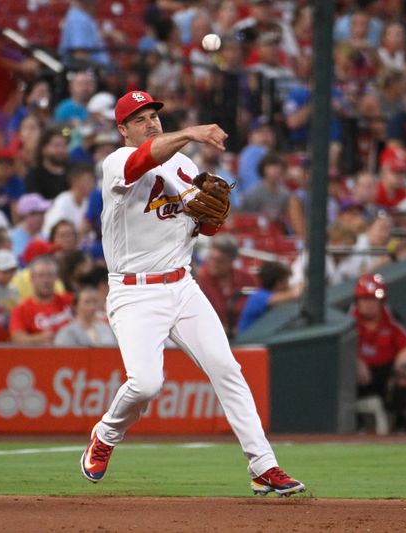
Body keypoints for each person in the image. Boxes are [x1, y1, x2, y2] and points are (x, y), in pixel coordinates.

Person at [80, 89, 305, 496]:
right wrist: (192, 132)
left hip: (182, 286)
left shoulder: (183, 165)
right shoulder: (115, 162)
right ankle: (107, 433)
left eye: (153, 115)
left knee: (228, 370)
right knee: (146, 384)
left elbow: (204, 224)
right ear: (123, 129)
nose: (150, 122)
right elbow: (143, 159)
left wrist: (212, 218)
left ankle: (263, 466)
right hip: (134, 293)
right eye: (140, 119)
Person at [351, 273, 406, 433]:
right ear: (357, 301)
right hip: (356, 378)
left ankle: (401, 419)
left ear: (382, 301)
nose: (369, 304)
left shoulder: (390, 319)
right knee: (344, 372)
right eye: (364, 299)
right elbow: (338, 351)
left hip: (384, 373)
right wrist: (356, 361)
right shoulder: (349, 320)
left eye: (373, 299)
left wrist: (400, 364)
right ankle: (355, 421)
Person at [196, 236, 257, 339]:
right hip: (210, 335)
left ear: (231, 261)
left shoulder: (246, 279)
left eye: (220, 261)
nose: (213, 264)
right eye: (211, 259)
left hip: (245, 334)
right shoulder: (199, 280)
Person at [9, 255, 72, 344]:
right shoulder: (21, 309)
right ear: (32, 278)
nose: (46, 280)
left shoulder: (68, 300)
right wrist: (39, 338)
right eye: (41, 275)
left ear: (56, 278)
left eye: (50, 275)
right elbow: (17, 337)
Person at [237, 260, 301, 334]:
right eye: (286, 280)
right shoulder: (258, 297)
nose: (288, 285)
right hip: (247, 342)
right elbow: (294, 295)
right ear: (279, 283)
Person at [9, 193, 51, 259]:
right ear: (26, 216)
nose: (42, 217)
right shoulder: (11, 239)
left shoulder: (46, 236)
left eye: (43, 213)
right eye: (37, 213)